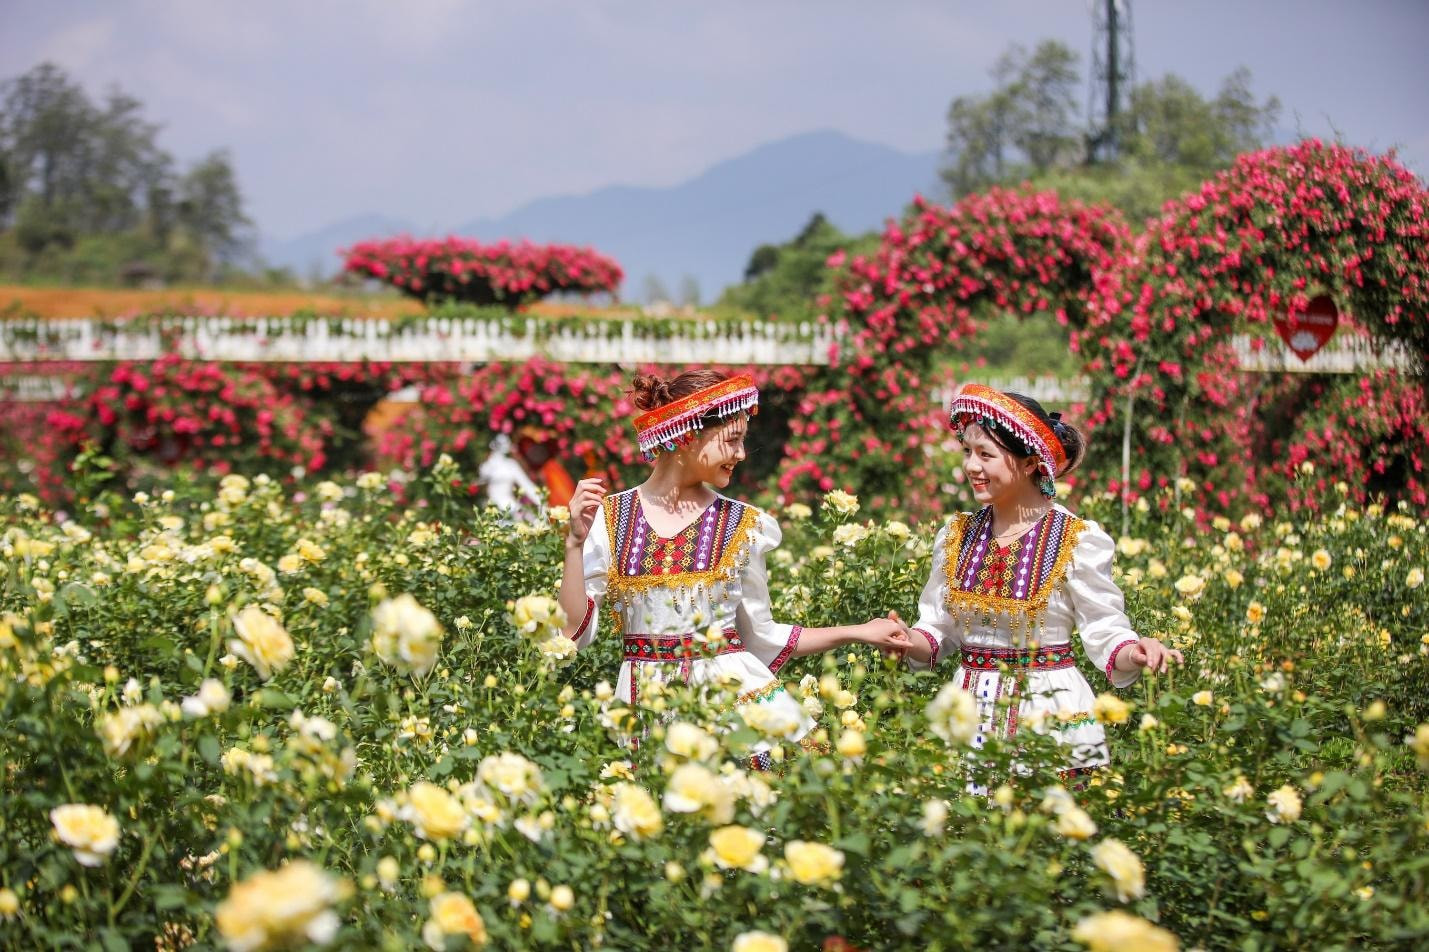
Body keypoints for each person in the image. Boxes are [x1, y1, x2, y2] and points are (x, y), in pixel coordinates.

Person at [559, 370, 909, 760]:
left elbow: (762, 636)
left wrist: (861, 631)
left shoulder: (744, 525)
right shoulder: (610, 519)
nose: (741, 454)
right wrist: (573, 544)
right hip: (646, 716)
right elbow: (573, 631)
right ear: (688, 434)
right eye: (732, 440)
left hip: (731, 716)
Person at [896, 383, 1183, 781]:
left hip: (1050, 712)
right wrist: (903, 639)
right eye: (967, 452)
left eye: (986, 454)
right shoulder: (956, 536)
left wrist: (1136, 651)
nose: (971, 467)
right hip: (967, 713)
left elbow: (1104, 628)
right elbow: (938, 629)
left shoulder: (1076, 541)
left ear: (1030, 463)